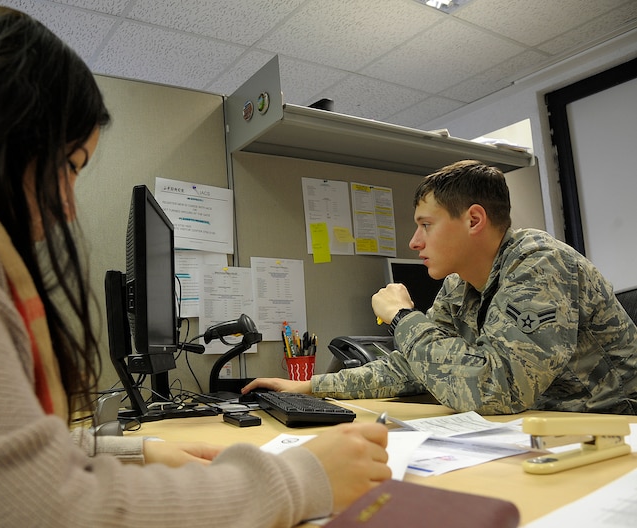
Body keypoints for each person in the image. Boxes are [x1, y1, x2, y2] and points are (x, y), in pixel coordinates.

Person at [0, 5, 391, 528]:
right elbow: (29, 522)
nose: (67, 207)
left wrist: (120, 455)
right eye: (69, 166)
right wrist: (296, 479)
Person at [245, 160, 637, 415]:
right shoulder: (459, 285)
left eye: (426, 225)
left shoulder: (540, 264)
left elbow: (496, 390)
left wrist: (402, 318)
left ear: (474, 220)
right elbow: (417, 365)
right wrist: (310, 386)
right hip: (545, 427)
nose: (415, 242)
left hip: (615, 428)